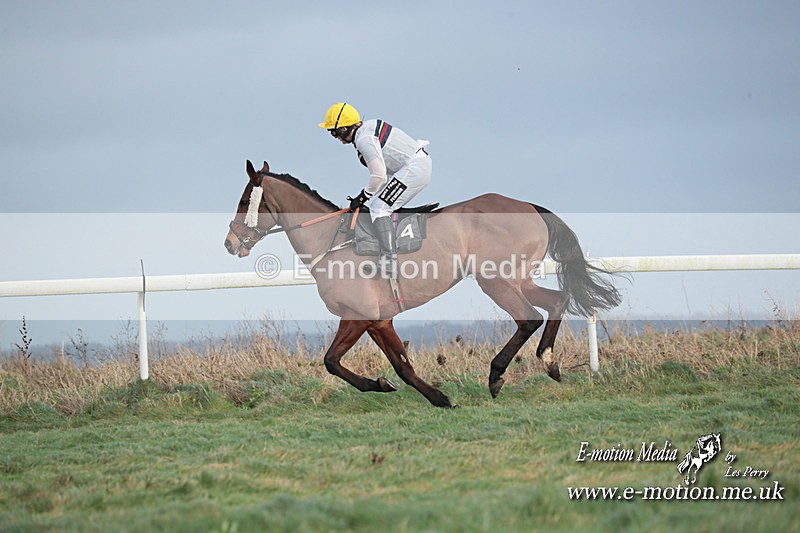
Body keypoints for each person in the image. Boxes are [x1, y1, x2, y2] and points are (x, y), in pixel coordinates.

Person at [319, 102, 431, 279]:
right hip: (412, 166)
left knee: (379, 208)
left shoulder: (364, 140)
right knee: (380, 203)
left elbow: (379, 176)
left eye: (336, 132)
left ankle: (389, 260)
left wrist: (362, 196)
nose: (335, 137)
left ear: (346, 128)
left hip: (414, 169)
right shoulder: (366, 129)